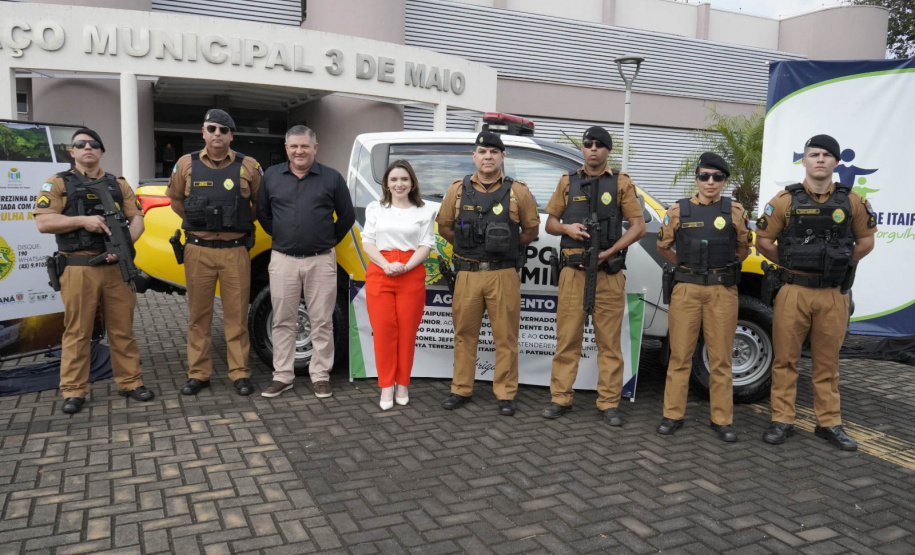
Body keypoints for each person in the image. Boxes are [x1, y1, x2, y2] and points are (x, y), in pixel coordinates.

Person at [756, 134, 877, 451]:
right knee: (785, 360)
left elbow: (866, 241)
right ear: (804, 160)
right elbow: (763, 241)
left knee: (828, 363)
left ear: (836, 162)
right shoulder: (785, 200)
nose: (820, 159)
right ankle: (782, 420)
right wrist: (793, 263)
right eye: (813, 154)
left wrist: (838, 264)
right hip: (793, 290)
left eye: (826, 154)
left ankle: (829, 423)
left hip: (833, 293)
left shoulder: (852, 202)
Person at [34, 128, 155, 414]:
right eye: (80, 144)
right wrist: (81, 221)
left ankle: (130, 382)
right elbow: (44, 222)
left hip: (115, 268)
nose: (87, 148)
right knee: (78, 331)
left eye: (94, 144)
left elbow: (136, 218)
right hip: (79, 267)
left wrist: (123, 245)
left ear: (101, 151)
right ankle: (74, 390)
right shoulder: (58, 183)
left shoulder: (118, 184)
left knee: (122, 329)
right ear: (72, 152)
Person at [541, 126, 646, 426]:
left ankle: (609, 402)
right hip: (573, 274)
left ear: (607, 151)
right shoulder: (568, 182)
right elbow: (550, 222)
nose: (593, 149)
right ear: (583, 149)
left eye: (600, 145)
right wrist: (567, 229)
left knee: (609, 344)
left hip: (608, 274)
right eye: (588, 145)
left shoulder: (622, 184)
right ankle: (561, 398)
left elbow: (638, 227)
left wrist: (611, 250)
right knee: (567, 340)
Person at [435, 131, 540, 416]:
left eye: (494, 152)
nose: (488, 156)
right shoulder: (457, 190)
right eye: (483, 152)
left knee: (505, 337)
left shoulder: (518, 191)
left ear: (502, 156)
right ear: (475, 156)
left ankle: (505, 393)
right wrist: (467, 246)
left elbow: (531, 230)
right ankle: (460, 389)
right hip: (467, 274)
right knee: (464, 334)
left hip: (503, 274)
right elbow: (445, 226)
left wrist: (505, 245)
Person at [167, 109, 263, 397]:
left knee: (236, 315)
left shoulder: (249, 165)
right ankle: (198, 373)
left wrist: (236, 224)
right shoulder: (186, 164)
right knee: (199, 316)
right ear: (203, 132)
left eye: (224, 130)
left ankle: (240, 372)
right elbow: (175, 200)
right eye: (212, 129)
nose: (217, 134)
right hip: (198, 251)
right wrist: (202, 225)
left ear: (231, 135)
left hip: (235, 251)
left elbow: (258, 204)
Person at [655, 152, 750, 442]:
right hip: (686, 289)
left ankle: (722, 419)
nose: (711, 182)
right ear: (696, 178)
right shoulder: (677, 211)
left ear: (724, 181)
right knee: (680, 355)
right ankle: (672, 415)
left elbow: (743, 250)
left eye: (717, 177)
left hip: (722, 290)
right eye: (705, 176)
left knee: (721, 358)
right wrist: (685, 264)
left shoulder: (735, 212)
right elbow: (664, 247)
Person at [257, 125, 356, 399]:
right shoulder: (272, 177)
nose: (299, 151)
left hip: (321, 260)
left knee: (322, 320)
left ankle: (320, 375)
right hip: (283, 260)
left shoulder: (332, 178)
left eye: (304, 146)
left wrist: (324, 240)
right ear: (286, 148)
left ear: (315, 148)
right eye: (293, 146)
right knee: (282, 320)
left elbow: (346, 217)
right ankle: (282, 376)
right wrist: (283, 236)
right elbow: (264, 215)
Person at [361, 160, 436, 410]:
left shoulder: (424, 211)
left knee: (406, 331)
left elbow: (426, 245)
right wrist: (386, 265)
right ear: (386, 183)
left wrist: (406, 266)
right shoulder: (375, 208)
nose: (399, 184)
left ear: (412, 182)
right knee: (383, 330)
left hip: (410, 271)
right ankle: (386, 386)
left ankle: (402, 383)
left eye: (404, 179)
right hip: (380, 270)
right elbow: (368, 242)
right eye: (393, 179)